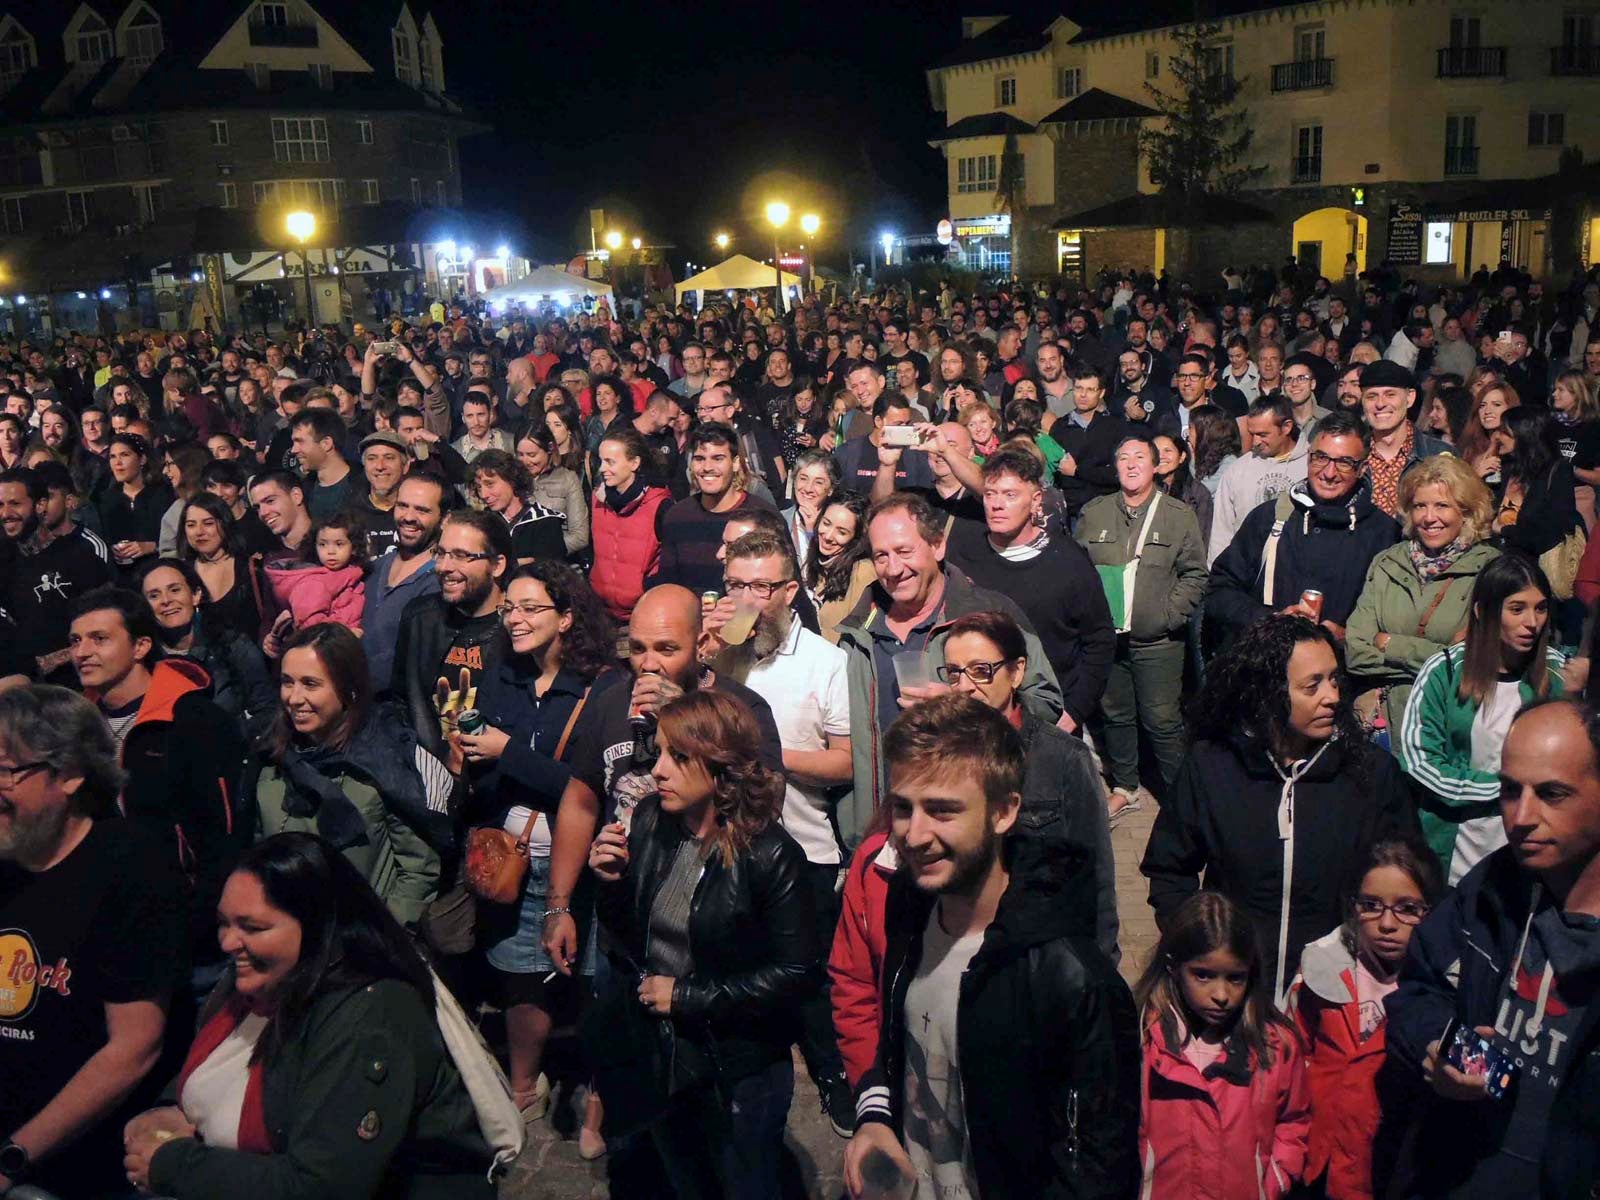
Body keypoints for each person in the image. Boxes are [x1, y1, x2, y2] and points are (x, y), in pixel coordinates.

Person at [842, 695, 1140, 1200]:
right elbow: (894, 1040)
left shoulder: (1072, 980)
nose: (913, 836)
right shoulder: (908, 905)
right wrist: (874, 1115)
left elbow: (1096, 1172)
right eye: (902, 807)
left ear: (1004, 812)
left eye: (942, 810)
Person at [122, 833, 503, 1199]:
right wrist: (175, 1107)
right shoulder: (259, 980)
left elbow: (322, 1187)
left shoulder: (372, 1017)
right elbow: (222, 1057)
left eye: (252, 927)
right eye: (224, 922)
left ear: (317, 927)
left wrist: (174, 1166)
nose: (227, 942)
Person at [586, 690, 815, 1198]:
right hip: (662, 1053)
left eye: (679, 757)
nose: (660, 769)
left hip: (736, 1067)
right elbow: (628, 940)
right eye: (659, 752)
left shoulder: (771, 856)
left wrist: (687, 996)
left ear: (721, 766)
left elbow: (795, 976)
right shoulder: (649, 820)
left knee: (745, 1182)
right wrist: (613, 883)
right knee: (684, 1177)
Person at [1384, 698, 1600, 1199]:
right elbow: (1419, 986)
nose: (1520, 816)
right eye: (1509, 790)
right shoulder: (1491, 888)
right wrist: (1438, 1044)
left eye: (1551, 793)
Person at [1143, 615, 1417, 1003]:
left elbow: (1404, 880)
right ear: (1268, 693)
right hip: (1233, 999)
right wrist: (1200, 952)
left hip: (1333, 1000)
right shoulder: (1212, 768)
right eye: (1312, 685)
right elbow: (1169, 869)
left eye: (1334, 679)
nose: (1333, 696)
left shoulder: (1372, 775)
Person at [0, 684, 189, 1199]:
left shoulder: (131, 867)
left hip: (81, 1169)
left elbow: (134, 1048)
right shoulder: (10, 859)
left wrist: (12, 1157)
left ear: (71, 775)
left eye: (7, 771)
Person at [707, 529, 856, 1134]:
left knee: (810, 974)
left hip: (802, 846)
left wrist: (762, 752)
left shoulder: (827, 662)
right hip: (724, 841)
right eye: (735, 585)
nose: (746, 599)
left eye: (760, 587)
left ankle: (831, 1073)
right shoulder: (719, 652)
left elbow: (846, 762)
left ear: (790, 591)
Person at [458, 560, 613, 1141]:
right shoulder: (503, 677)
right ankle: (525, 1084)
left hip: (582, 858)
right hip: (512, 857)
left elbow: (588, 786)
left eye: (531, 608)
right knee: (521, 977)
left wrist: (507, 751)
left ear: (567, 617)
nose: (515, 619)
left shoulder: (600, 687)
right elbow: (495, 769)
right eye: (509, 609)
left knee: (594, 978)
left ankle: (599, 1096)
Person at [834, 492, 1063, 843]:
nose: (893, 569)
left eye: (905, 551)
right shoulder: (855, 630)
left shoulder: (990, 614)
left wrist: (965, 710)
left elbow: (1045, 705)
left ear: (938, 545)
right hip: (879, 835)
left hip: (965, 836)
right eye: (881, 556)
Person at [68, 586, 249, 975]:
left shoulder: (194, 720)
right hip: (109, 932)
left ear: (141, 646)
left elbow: (224, 839)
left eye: (99, 639)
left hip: (189, 942)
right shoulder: (76, 728)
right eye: (76, 640)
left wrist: (193, 929)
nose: (82, 652)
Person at [248, 623, 452, 927]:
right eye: (287, 682)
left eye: (311, 684)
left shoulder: (386, 763)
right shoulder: (270, 759)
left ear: (349, 690)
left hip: (363, 947)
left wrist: (380, 943)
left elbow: (418, 872)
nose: (294, 697)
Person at [1286, 834, 1444, 1200]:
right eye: (1371, 905)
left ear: (1432, 911)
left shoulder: (1444, 992)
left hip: (1389, 1174)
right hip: (1315, 1160)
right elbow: (1292, 1055)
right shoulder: (1319, 969)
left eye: (1408, 908)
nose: (1387, 923)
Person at [1396, 554, 1566, 884]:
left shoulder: (1558, 675)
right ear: (1483, 611)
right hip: (1455, 856)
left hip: (1533, 860)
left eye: (1541, 608)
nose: (1532, 622)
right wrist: (1504, 789)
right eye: (1517, 609)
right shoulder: (1443, 670)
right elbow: (1419, 761)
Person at [1133, 890, 1311, 1199]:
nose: (1221, 994)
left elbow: (1294, 1122)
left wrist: (1274, 1183)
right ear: (1174, 968)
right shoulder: (1142, 1041)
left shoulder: (1275, 1046)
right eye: (1203, 975)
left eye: (1235, 978)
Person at [1078, 431, 1208, 815]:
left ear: (1156, 467)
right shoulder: (1094, 513)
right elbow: (1079, 571)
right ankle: (1126, 785)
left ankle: (1182, 799)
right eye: (1123, 457)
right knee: (1116, 716)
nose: (1131, 464)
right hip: (1109, 640)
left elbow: (1196, 575)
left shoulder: (1177, 516)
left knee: (1162, 721)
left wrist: (1168, 616)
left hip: (1158, 642)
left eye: (1139, 457)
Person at [945, 447, 1116, 737]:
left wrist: (1073, 712)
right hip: (975, 721)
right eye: (990, 494)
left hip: (1047, 720)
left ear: (1036, 500)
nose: (997, 504)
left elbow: (1099, 641)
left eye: (1010, 495)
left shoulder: (1068, 561)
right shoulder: (964, 554)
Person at [1206, 411, 1400, 652]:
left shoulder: (1383, 533)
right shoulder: (1270, 517)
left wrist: (1351, 638)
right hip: (1268, 666)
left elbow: (1396, 622)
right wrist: (1271, 621)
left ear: (1362, 469)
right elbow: (1220, 591)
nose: (1329, 473)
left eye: (1344, 463)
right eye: (1321, 458)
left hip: (1339, 677)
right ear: (1308, 457)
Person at [1345, 454, 1500, 732]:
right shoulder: (1387, 562)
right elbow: (1356, 653)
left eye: (1442, 506)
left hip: (1452, 722)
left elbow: (1470, 663)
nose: (1429, 518)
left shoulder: (1490, 569)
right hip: (1385, 722)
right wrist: (1439, 654)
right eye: (1419, 506)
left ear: (1466, 511)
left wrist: (1389, 643)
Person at [139, 558, 275, 742]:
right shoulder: (141, 659)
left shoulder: (232, 644)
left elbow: (267, 710)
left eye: (175, 590)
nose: (166, 601)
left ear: (195, 595)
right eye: (154, 596)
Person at [0, 464, 112, 683]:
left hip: (78, 685)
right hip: (23, 689)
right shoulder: (4, 560)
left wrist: (54, 659)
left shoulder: (80, 556)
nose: (5, 513)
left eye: (15, 504)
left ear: (40, 505)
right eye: (0, 505)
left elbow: (109, 623)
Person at [652, 422, 775, 595]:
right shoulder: (677, 517)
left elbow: (783, 584)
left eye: (718, 459)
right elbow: (667, 589)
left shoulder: (762, 516)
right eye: (700, 459)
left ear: (735, 464)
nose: (707, 467)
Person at [360, 473, 444, 698]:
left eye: (422, 510)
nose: (408, 517)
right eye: (402, 506)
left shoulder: (442, 580)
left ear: (444, 518)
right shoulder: (373, 569)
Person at [1208, 395, 1309, 565]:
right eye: (1252, 434)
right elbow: (1222, 531)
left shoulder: (1311, 466)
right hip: (1246, 573)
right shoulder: (1238, 470)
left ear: (1286, 427)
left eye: (1263, 434)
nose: (1255, 442)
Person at [590, 425, 673, 621]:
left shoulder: (660, 505)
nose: (602, 469)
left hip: (643, 614)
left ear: (634, 463)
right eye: (601, 461)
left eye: (610, 462)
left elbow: (669, 562)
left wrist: (647, 589)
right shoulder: (596, 499)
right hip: (602, 614)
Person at [1359, 360, 1450, 520]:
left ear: (1410, 398)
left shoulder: (1439, 455)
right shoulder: (1352, 456)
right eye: (1372, 396)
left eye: (1390, 394)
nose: (1380, 404)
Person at [263, 510, 368, 633]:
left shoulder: (352, 575)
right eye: (322, 544)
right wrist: (345, 634)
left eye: (339, 544)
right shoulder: (314, 581)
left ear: (354, 547)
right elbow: (311, 628)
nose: (330, 551)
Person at [468, 448, 567, 567]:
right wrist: (522, 562)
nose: (483, 494)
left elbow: (552, 571)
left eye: (490, 484)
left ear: (512, 480)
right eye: (479, 487)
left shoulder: (545, 522)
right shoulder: (483, 523)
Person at [1051, 362, 1126, 520]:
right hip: (1071, 513)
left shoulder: (1115, 428)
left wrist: (1077, 471)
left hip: (1107, 511)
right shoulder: (1060, 428)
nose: (1083, 395)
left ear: (1101, 393)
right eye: (1078, 388)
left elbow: (1116, 473)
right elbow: (1057, 475)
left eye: (1090, 389)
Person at [98, 432, 173, 584]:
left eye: (124, 455)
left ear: (142, 459)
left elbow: (178, 538)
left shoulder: (164, 495)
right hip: (121, 579)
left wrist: (153, 546)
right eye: (112, 457)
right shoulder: (106, 500)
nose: (117, 462)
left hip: (160, 573)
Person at [803, 490, 876, 644]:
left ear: (856, 539)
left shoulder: (862, 572)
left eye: (841, 532)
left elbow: (858, 634)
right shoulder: (821, 561)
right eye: (826, 523)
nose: (828, 536)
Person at [517, 424, 590, 558]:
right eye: (520, 455)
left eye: (532, 455)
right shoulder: (513, 480)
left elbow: (580, 536)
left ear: (550, 448)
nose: (525, 461)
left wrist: (543, 552)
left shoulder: (567, 479)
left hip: (556, 565)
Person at [288, 408, 356, 520]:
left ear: (326, 443)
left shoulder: (364, 488)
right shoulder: (303, 492)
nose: (293, 450)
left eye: (300, 441)